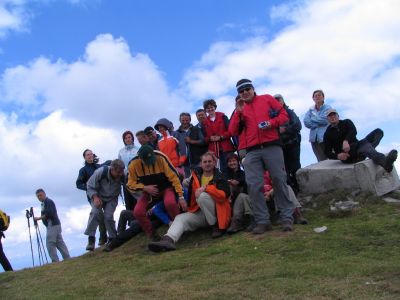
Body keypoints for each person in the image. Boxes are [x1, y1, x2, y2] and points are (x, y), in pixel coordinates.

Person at [229, 78, 295, 233]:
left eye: (247, 89)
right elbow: (232, 131)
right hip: (251, 150)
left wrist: (271, 123)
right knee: (253, 185)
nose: (245, 92)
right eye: (241, 91)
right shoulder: (239, 109)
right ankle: (262, 221)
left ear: (253, 88)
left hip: (272, 145)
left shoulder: (267, 99)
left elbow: (284, 115)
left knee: (279, 180)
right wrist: (238, 112)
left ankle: (287, 218)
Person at [148, 152, 231, 252]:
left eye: (210, 161)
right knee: (180, 218)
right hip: (200, 212)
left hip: (217, 214)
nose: (207, 164)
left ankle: (215, 227)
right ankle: (168, 240)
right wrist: (184, 201)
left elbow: (223, 196)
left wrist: (205, 188)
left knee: (202, 196)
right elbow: (186, 189)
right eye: (205, 162)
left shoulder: (220, 176)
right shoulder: (196, 176)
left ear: (214, 163)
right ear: (201, 164)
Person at [127, 145, 186, 240]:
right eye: (147, 161)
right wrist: (144, 188)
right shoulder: (133, 164)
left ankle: (180, 229)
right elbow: (130, 184)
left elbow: (174, 177)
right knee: (137, 211)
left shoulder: (161, 157)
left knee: (170, 203)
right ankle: (152, 234)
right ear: (140, 158)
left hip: (166, 188)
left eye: (151, 159)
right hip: (148, 192)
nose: (150, 163)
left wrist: (181, 196)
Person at [323, 109, 398, 172]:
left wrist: (346, 141)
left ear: (338, 116)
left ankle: (367, 151)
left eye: (334, 115)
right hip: (349, 156)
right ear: (327, 119)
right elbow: (327, 151)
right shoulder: (327, 134)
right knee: (363, 144)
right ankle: (385, 163)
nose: (333, 117)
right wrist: (338, 156)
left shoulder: (346, 122)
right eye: (330, 116)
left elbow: (353, 131)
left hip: (358, 147)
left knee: (378, 132)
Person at [84, 159, 125, 251]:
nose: (120, 174)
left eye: (122, 171)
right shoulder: (100, 172)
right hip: (98, 196)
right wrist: (95, 197)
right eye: (118, 172)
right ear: (112, 169)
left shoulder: (123, 175)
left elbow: (129, 185)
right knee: (95, 212)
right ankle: (91, 239)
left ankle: (112, 239)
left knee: (108, 216)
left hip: (112, 197)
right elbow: (89, 186)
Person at [76, 149, 108, 246]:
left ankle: (103, 238)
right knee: (96, 213)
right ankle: (91, 239)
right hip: (93, 196)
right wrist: (89, 187)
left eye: (91, 154)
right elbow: (78, 184)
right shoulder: (83, 170)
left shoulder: (99, 167)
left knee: (106, 216)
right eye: (87, 155)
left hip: (105, 194)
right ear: (85, 157)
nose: (90, 156)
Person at [273, 94, 302, 194]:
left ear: (283, 101)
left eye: (279, 100)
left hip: (293, 144)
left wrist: (285, 129)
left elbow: (298, 126)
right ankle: (292, 191)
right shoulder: (272, 116)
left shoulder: (290, 112)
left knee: (295, 167)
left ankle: (300, 188)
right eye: (275, 100)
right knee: (285, 170)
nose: (278, 102)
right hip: (280, 147)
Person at [34, 189, 70, 262]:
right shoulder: (45, 203)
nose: (39, 197)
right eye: (38, 196)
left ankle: (55, 261)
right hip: (55, 224)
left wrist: (39, 218)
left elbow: (49, 214)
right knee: (59, 242)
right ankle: (67, 258)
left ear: (44, 194)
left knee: (50, 243)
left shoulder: (48, 202)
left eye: (40, 195)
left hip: (52, 224)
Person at [203, 99, 235, 172]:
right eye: (208, 108)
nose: (210, 109)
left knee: (231, 167)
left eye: (212, 107)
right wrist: (210, 138)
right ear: (206, 110)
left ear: (215, 107)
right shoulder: (204, 122)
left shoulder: (223, 116)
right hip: (213, 150)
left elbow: (230, 131)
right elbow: (204, 138)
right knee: (218, 169)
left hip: (226, 148)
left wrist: (221, 137)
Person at [303, 89, 331, 161]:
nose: (317, 97)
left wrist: (312, 119)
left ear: (323, 97)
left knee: (331, 159)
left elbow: (325, 120)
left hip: (326, 137)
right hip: (314, 139)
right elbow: (306, 122)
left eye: (319, 95)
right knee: (321, 161)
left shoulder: (328, 108)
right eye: (315, 96)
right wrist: (317, 123)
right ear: (313, 98)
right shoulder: (310, 110)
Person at [118, 130, 140, 211]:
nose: (127, 139)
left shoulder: (138, 149)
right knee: (128, 199)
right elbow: (119, 164)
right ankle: (130, 220)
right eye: (125, 138)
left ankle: (139, 219)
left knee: (137, 198)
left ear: (132, 138)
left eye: (129, 137)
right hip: (126, 178)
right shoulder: (121, 151)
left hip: (137, 177)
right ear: (123, 140)